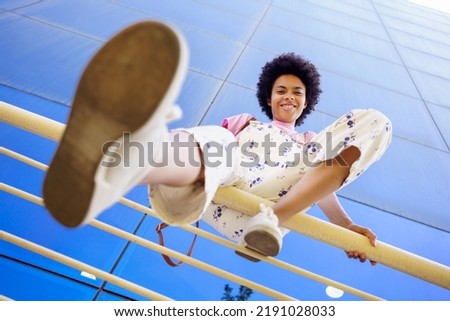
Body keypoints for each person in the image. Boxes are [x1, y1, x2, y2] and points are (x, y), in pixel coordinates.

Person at [43, 21, 392, 265]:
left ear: (306, 102)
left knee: (375, 121)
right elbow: (210, 148)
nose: (289, 97)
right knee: (220, 139)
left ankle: (271, 219)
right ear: (268, 99)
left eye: (297, 93)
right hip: (220, 190)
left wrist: (346, 229)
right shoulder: (246, 123)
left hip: (267, 213)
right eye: (281, 91)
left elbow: (323, 192)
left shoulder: (308, 143)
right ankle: (125, 164)